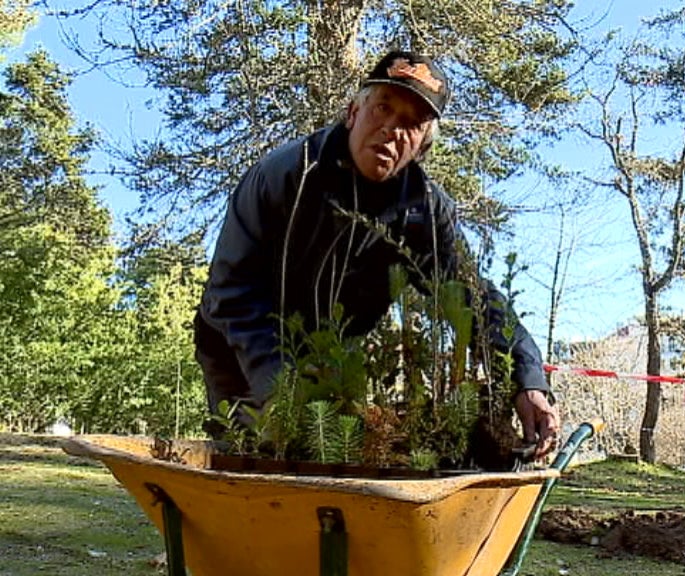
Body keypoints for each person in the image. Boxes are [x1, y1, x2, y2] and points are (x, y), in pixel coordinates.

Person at [194, 50, 560, 463]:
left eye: (411, 123)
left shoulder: (425, 211)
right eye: (383, 107)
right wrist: (284, 390)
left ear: (423, 145)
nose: (391, 129)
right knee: (257, 459)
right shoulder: (283, 177)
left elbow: (474, 299)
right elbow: (232, 293)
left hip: (334, 357)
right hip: (239, 346)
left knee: (331, 463)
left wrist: (528, 378)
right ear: (353, 112)